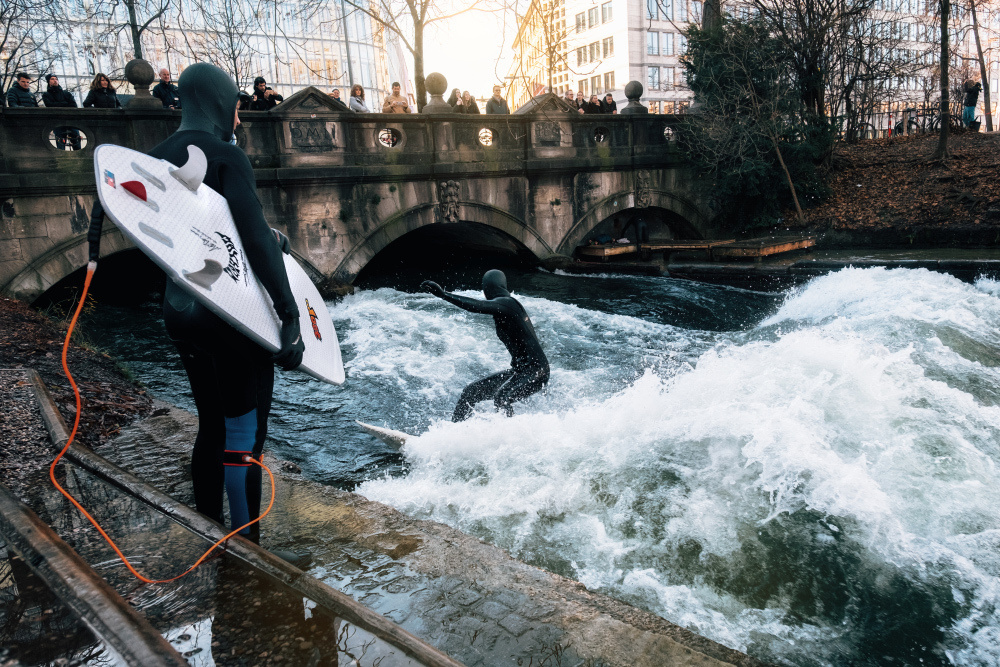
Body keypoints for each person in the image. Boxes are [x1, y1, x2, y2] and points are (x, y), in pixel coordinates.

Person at [134, 63, 305, 554]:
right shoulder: (226, 154)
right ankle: (247, 547)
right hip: (229, 316)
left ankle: (207, 526)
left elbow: (190, 233)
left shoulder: (152, 158)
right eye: (236, 105)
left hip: (180, 311)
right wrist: (289, 314)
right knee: (245, 436)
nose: (239, 115)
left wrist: (270, 236)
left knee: (210, 422)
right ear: (221, 103)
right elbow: (251, 237)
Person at [421, 270, 549, 421]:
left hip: (536, 371)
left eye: (485, 288)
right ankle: (455, 430)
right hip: (520, 371)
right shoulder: (502, 307)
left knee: (502, 398)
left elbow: (477, 306)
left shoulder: (509, 303)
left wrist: (444, 295)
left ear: (490, 288)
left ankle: (511, 438)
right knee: (471, 392)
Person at [42, 74, 81, 150]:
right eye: (52, 79)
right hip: (57, 121)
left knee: (76, 143)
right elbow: (49, 105)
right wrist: (65, 104)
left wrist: (58, 105)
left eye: (56, 79)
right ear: (48, 81)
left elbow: (73, 105)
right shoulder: (46, 95)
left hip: (71, 120)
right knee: (60, 145)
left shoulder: (66, 93)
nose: (55, 80)